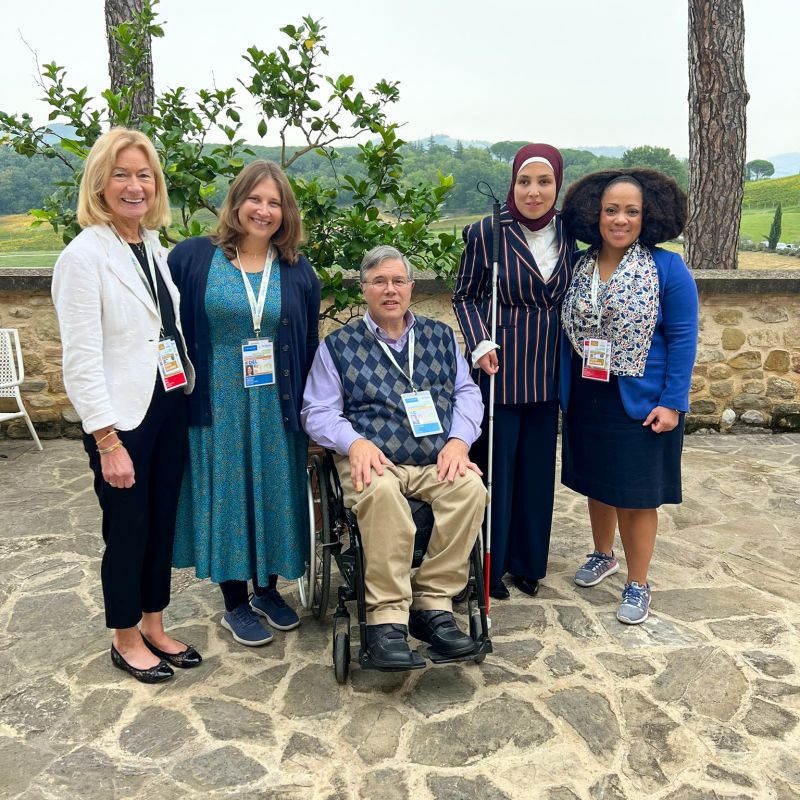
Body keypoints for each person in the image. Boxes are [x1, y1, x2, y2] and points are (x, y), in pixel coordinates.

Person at [52, 128, 201, 683]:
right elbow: (82, 359)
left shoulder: (150, 246)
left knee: (161, 521)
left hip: (166, 402)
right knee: (128, 527)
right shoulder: (83, 256)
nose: (134, 186)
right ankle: (124, 636)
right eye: (121, 174)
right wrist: (107, 441)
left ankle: (155, 624)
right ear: (99, 182)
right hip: (123, 420)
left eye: (144, 175)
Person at [302, 245, 487, 670]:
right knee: (382, 494)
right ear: (363, 290)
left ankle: (431, 604)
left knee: (470, 489)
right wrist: (355, 443)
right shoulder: (339, 346)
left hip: (433, 458)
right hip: (374, 460)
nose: (390, 290)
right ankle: (385, 620)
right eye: (379, 282)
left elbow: (467, 393)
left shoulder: (440, 337)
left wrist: (459, 441)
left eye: (398, 281)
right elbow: (317, 410)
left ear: (411, 287)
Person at [169, 160, 320, 646]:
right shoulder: (193, 258)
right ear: (236, 202)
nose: (264, 210)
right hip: (220, 403)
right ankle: (234, 601)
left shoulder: (297, 270)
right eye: (255, 199)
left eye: (274, 202)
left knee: (275, 490)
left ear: (285, 212)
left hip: (275, 403)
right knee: (230, 495)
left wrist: (314, 418)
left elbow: (311, 348)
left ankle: (268, 589)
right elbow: (165, 328)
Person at [559, 168, 699, 624]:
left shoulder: (667, 268)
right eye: (611, 210)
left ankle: (638, 582)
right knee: (598, 484)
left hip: (643, 399)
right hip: (588, 393)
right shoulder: (580, 264)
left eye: (631, 211)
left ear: (647, 216)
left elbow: (682, 338)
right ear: (595, 215)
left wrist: (673, 402)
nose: (620, 220)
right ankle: (604, 554)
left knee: (637, 496)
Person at [453, 143, 576, 599]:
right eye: (525, 181)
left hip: (548, 367)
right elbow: (464, 294)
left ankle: (528, 563)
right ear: (512, 184)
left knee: (537, 472)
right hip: (500, 367)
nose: (533, 191)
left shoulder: (570, 231)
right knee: (496, 471)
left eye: (544, 182)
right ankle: (492, 563)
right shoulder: (488, 232)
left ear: (557, 185)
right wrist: (479, 341)